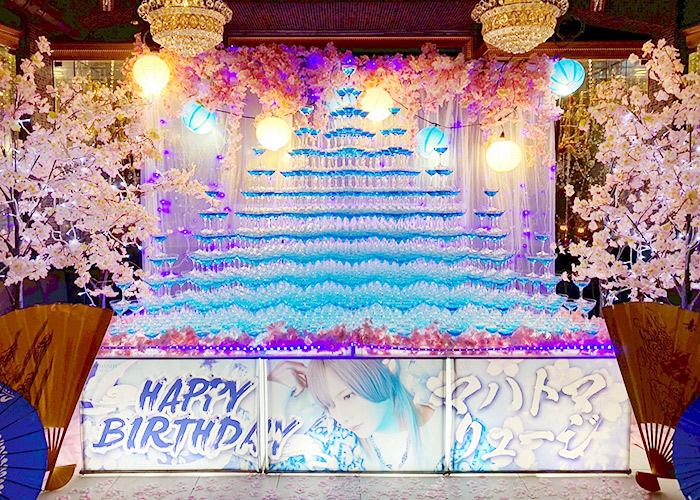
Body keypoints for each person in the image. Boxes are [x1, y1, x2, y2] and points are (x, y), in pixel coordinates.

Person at [267, 358, 444, 471]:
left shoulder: (451, 433)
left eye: (348, 396)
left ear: (387, 366)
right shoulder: (335, 437)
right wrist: (273, 390)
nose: (342, 418)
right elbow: (270, 467)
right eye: (329, 405)